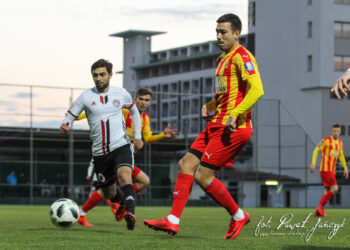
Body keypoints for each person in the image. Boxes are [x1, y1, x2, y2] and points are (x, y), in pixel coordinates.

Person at [144, 13, 264, 239]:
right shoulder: (221, 60)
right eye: (217, 32)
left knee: (203, 177)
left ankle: (238, 215)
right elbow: (225, 94)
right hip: (216, 123)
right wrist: (209, 104)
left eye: (223, 32)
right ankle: (172, 221)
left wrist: (235, 114)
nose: (218, 36)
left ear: (236, 34)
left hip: (234, 128)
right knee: (186, 164)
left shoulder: (243, 56)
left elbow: (257, 89)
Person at [60, 59, 143, 230]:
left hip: (121, 146)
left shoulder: (121, 93)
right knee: (109, 192)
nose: (99, 78)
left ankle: (130, 212)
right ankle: (120, 203)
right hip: (99, 153)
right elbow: (71, 114)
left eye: (102, 74)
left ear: (110, 75)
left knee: (124, 176)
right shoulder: (86, 96)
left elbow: (134, 111)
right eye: (95, 75)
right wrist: (66, 123)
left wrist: (138, 136)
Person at [76, 87, 177, 226]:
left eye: (146, 100)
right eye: (140, 99)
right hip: (113, 154)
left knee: (144, 181)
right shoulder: (124, 111)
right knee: (106, 190)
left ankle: (117, 202)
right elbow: (100, 113)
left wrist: (163, 135)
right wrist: (77, 116)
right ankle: (84, 213)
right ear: (135, 99)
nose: (142, 102)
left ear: (150, 102)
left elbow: (147, 138)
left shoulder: (145, 119)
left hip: (126, 158)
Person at [309, 124, 349, 216]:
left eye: (337, 131)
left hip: (332, 171)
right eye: (334, 131)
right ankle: (320, 207)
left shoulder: (339, 143)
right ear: (331, 132)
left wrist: (345, 168)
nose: (336, 133)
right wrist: (313, 163)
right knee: (335, 188)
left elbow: (341, 156)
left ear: (340, 132)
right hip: (326, 170)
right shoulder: (326, 141)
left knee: (328, 191)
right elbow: (316, 150)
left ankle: (318, 211)